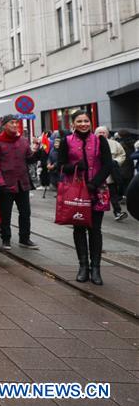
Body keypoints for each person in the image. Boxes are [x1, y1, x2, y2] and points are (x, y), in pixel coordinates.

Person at [58, 111, 111, 285]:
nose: (83, 124)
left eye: (86, 121)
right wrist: (74, 166)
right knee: (79, 228)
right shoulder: (66, 141)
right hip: (76, 192)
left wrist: (94, 183)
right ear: (73, 124)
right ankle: (83, 267)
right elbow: (61, 165)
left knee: (95, 229)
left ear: (91, 122)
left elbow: (108, 165)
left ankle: (96, 268)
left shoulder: (100, 140)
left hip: (97, 190)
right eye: (79, 121)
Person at [0, 116, 39, 250]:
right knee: (6, 214)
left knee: (25, 212)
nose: (15, 125)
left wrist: (37, 150)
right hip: (5, 183)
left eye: (16, 123)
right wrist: (0, 182)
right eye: (12, 122)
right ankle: (6, 239)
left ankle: (25, 238)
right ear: (4, 125)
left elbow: (29, 158)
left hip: (22, 182)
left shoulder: (22, 140)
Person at [96, 127, 128, 221]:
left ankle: (118, 212)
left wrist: (116, 162)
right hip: (97, 175)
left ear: (107, 134)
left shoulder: (114, 144)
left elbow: (122, 155)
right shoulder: (92, 143)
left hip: (110, 174)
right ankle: (94, 212)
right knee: (96, 195)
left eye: (103, 132)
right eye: (99, 132)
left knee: (113, 194)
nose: (101, 134)